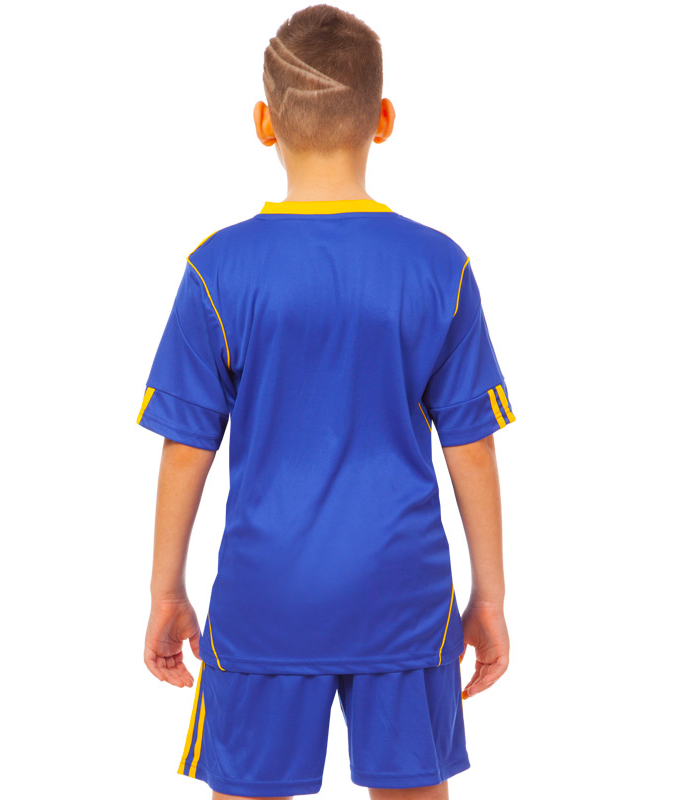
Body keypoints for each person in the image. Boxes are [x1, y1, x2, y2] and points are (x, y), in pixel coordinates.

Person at [136, 5, 515, 798]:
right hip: (404, 594)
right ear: (383, 119)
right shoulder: (439, 266)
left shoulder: (217, 269)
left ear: (263, 123)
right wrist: (490, 596)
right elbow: (472, 445)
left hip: (266, 594)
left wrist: (166, 591)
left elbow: (186, 447)